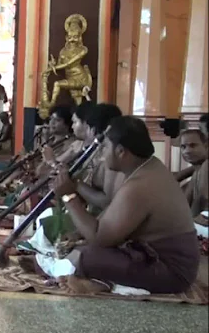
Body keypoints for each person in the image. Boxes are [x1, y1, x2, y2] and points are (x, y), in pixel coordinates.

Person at [48, 116, 199, 294]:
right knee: (80, 249)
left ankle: (103, 283)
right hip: (161, 263)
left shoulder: (141, 184)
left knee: (86, 256)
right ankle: (102, 282)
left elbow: (99, 238)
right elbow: (111, 218)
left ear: (121, 151)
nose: (103, 154)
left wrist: (69, 196)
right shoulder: (147, 168)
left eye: (105, 148)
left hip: (171, 273)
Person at [178, 129, 208, 222]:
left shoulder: (206, 165)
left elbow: (205, 197)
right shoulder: (196, 172)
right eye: (183, 147)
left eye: (193, 145)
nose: (187, 151)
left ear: (206, 146)